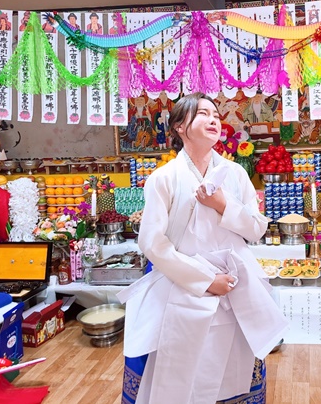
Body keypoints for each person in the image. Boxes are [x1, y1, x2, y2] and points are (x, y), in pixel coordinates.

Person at [119, 92, 287, 404]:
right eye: (202, 114)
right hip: (184, 287)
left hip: (234, 287)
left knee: (234, 371)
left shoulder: (236, 174)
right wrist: (207, 280)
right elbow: (152, 243)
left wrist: (223, 205)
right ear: (180, 127)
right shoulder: (164, 178)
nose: (213, 120)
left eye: (215, 115)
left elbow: (256, 228)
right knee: (183, 378)